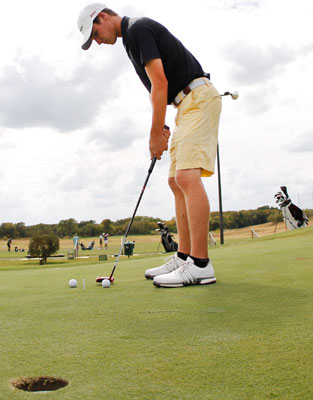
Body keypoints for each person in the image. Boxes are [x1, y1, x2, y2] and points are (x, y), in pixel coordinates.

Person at [77, 4, 221, 287]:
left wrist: (155, 133)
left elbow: (159, 83)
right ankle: (184, 256)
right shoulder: (131, 38)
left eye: (94, 34)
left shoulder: (138, 28)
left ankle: (201, 265)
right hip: (184, 104)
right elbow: (165, 86)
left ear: (102, 17)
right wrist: (164, 124)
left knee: (186, 177)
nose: (97, 41)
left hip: (198, 98)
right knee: (174, 181)